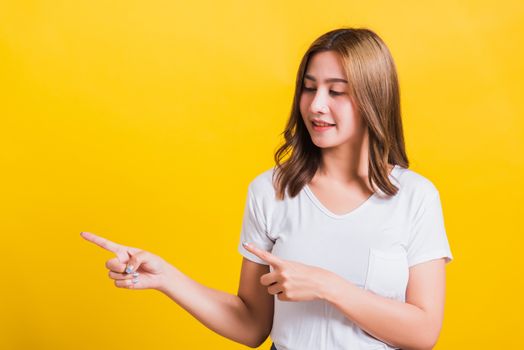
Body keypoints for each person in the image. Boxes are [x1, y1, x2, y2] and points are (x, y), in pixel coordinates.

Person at [81, 27, 453, 350]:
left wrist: (328, 287)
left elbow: (423, 332)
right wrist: (165, 276)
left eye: (336, 91)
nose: (316, 105)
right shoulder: (270, 192)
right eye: (309, 89)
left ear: (375, 98)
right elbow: (251, 323)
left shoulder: (415, 197)